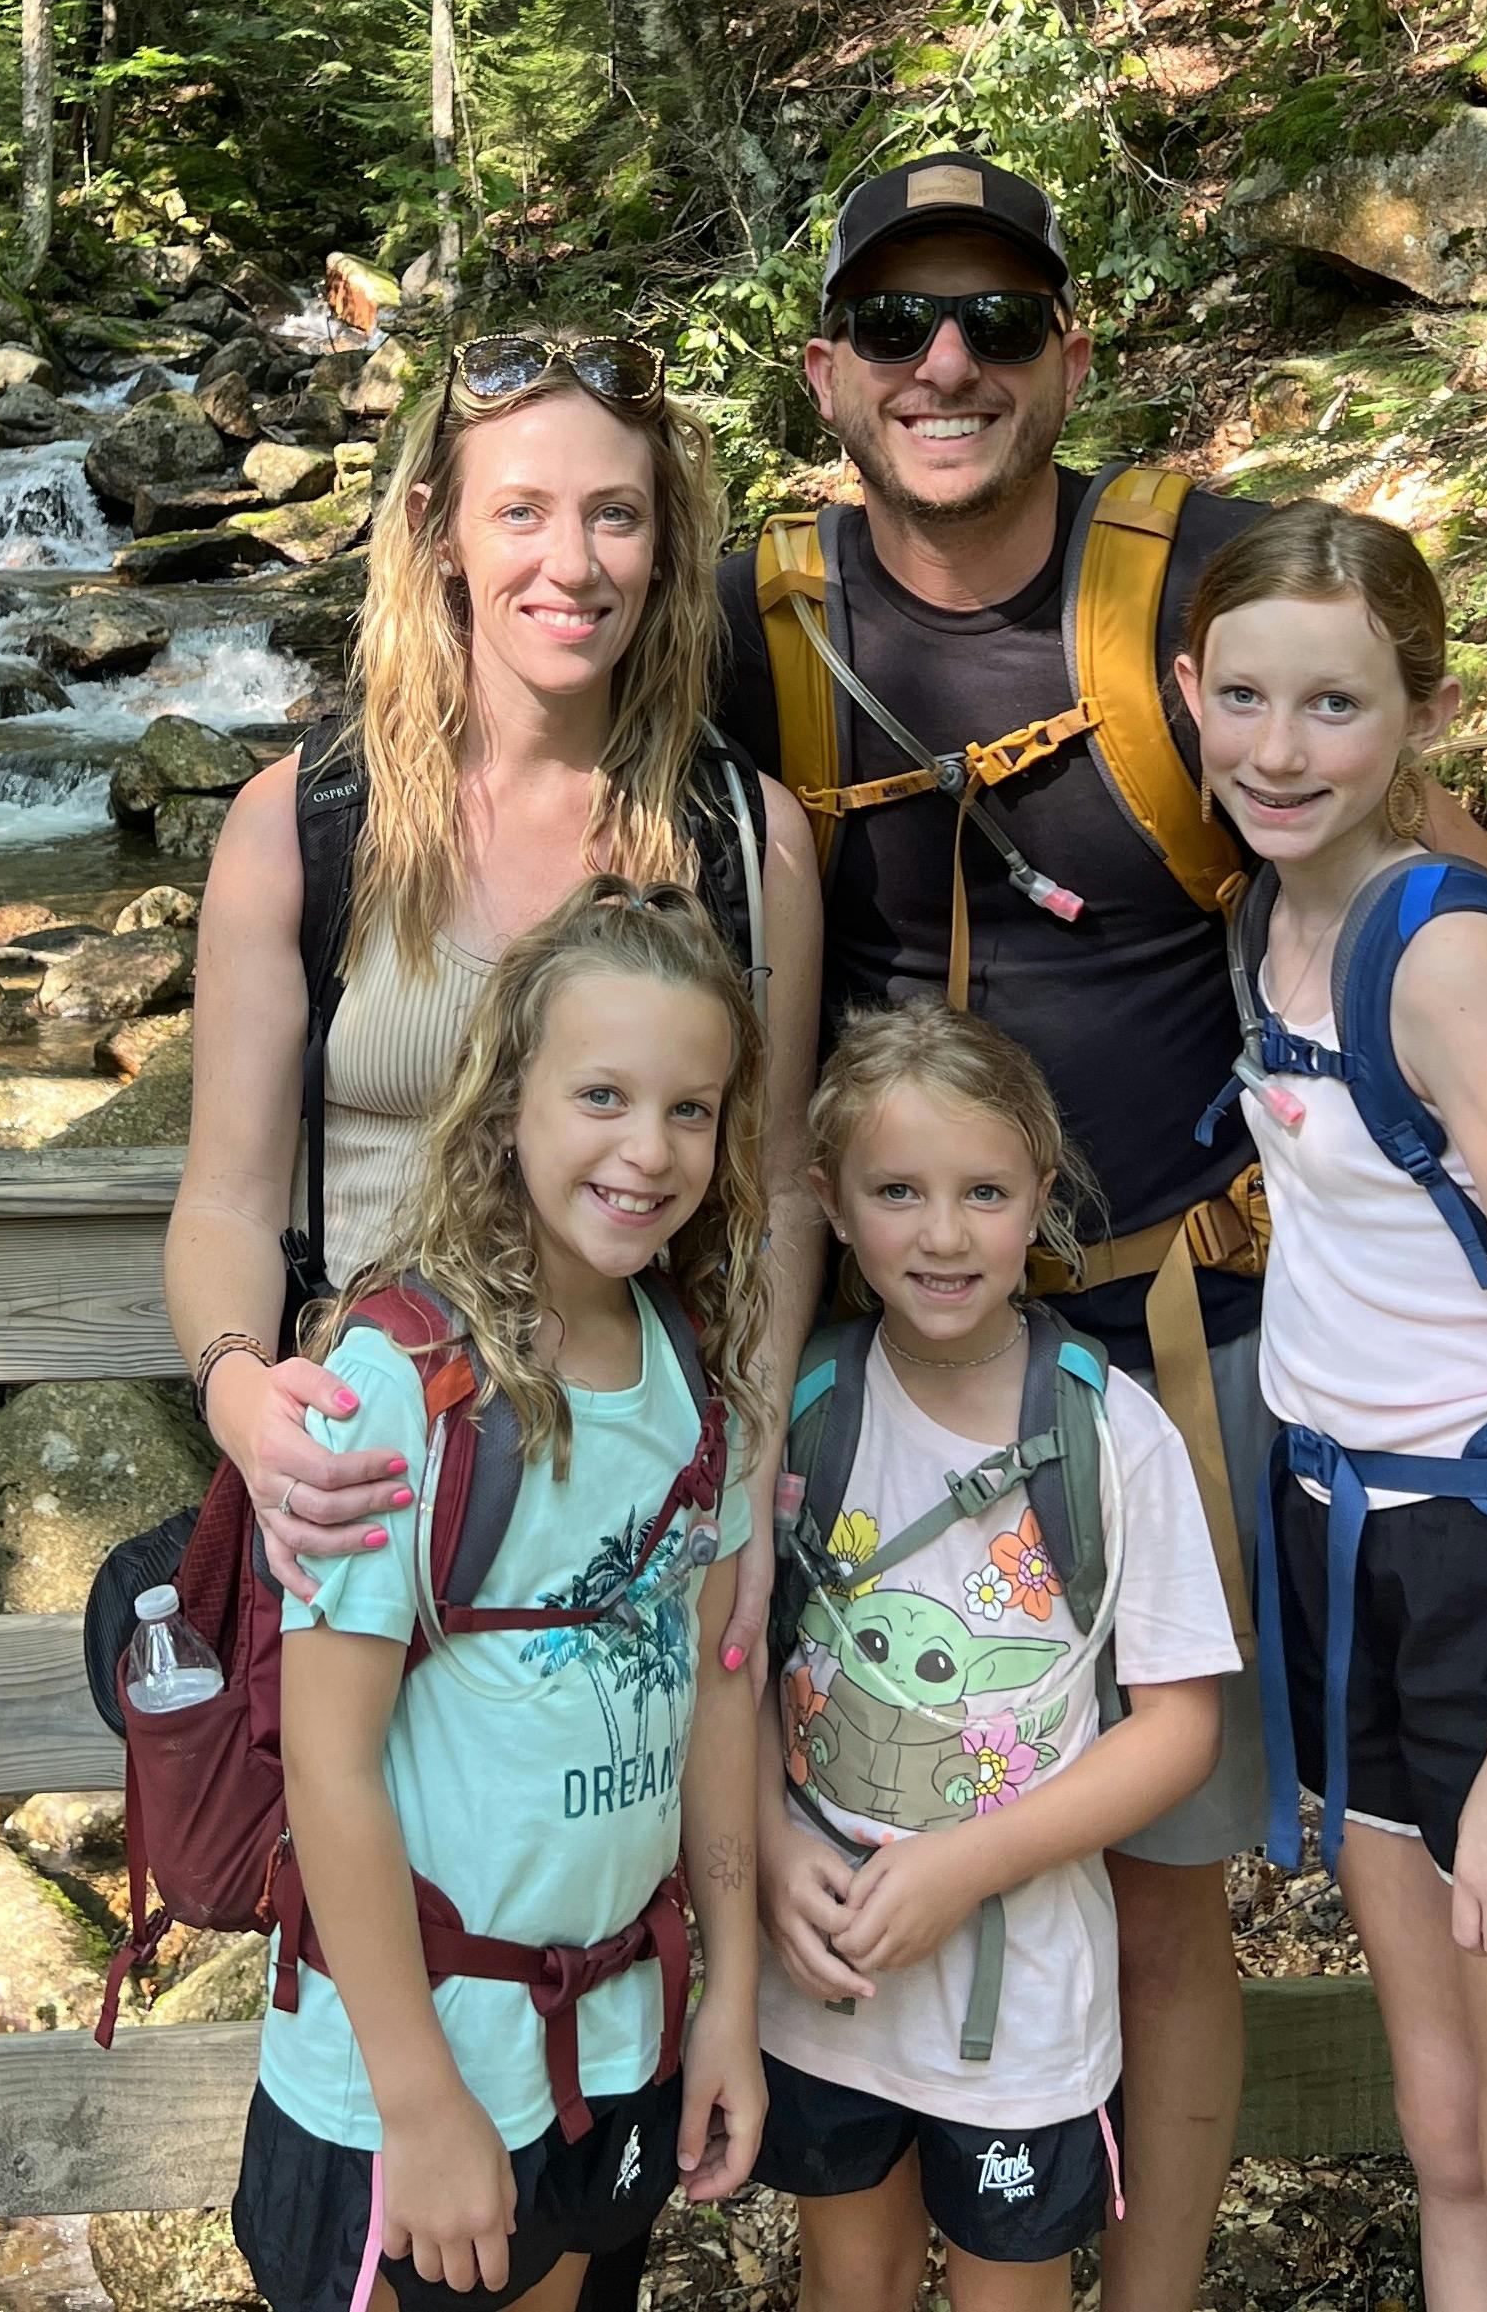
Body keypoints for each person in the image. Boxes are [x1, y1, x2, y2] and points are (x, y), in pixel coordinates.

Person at [716, 152, 1487, 2308]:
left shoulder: (1190, 578)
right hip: (879, 1360)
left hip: (1187, 1335)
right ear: (829, 371)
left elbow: (1402, 842)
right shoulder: (762, 614)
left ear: (1073, 348)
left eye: (990, 316)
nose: (944, 360)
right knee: (860, 1799)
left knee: (1164, 1875)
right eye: (895, 324)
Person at [1175, 503, 1487, 2310]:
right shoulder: (1268, 920)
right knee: (1447, 2133)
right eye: (1245, 697)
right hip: (1342, 1546)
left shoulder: (1446, 956)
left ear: (1421, 714)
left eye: (1337, 704)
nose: (1281, 748)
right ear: (1189, 689)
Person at [170, 326, 821, 1670]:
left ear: (665, 542)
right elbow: (230, 1194)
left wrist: (746, 1471)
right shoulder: (304, 827)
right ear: (439, 533)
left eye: (615, 515)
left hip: (645, 1504)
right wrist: (247, 1401)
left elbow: (781, 1189)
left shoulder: (742, 843)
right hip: (373, 1496)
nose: (572, 564)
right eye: (520, 510)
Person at [230, 878, 773, 2312]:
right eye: (601, 1093)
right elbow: (329, 1765)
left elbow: (715, 1702)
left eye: (691, 1109)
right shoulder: (400, 1386)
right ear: (508, 1098)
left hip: (613, 2049)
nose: (647, 1151)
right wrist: (419, 2100)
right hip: (414, 2077)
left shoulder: (694, 1372)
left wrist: (725, 1998)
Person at [755, 1000, 1237, 2312]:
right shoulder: (806, 1410)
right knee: (845, 2281)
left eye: (982, 1189)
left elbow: (1180, 1724)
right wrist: (769, 1840)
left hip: (1022, 2002)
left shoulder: (1109, 1430)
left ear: (1041, 1194)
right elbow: (735, 1664)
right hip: (830, 1983)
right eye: (898, 1189)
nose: (945, 1231)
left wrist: (968, 1863)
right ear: (834, 1204)